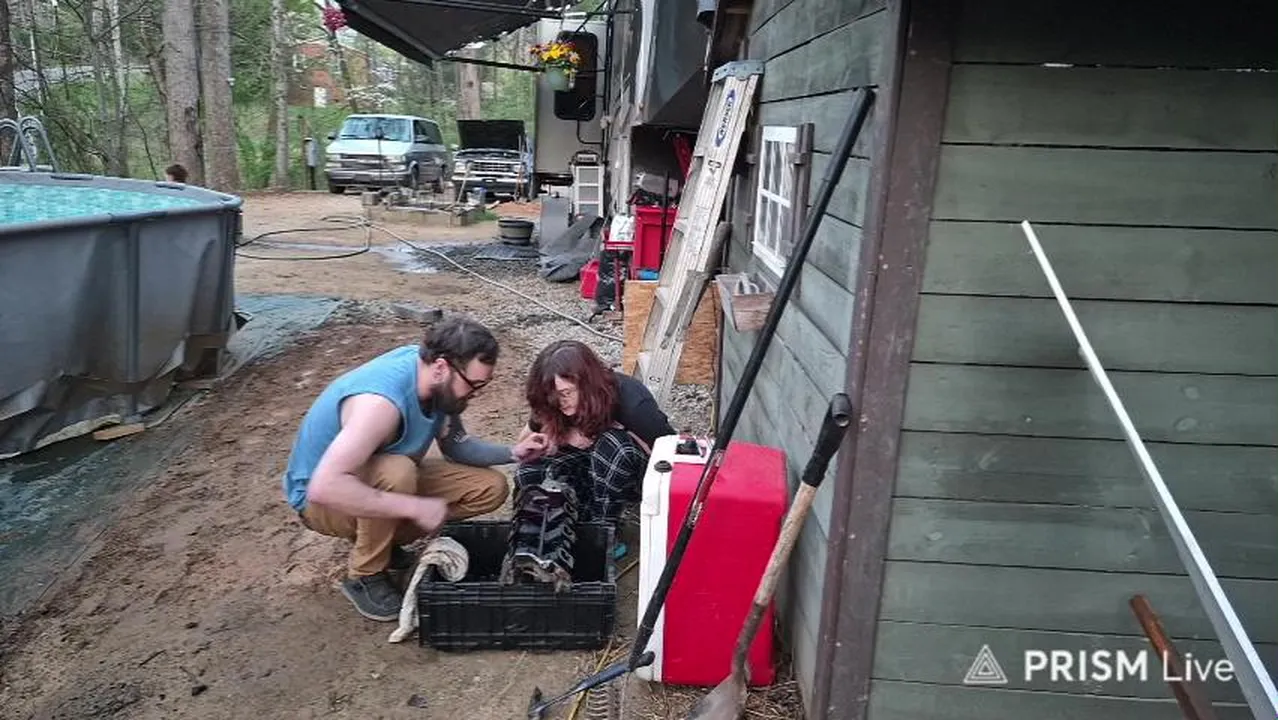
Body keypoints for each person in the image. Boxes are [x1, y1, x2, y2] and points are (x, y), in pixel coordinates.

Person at [282, 316, 551, 622]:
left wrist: (514, 453)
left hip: (373, 479)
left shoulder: (436, 382)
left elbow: (457, 446)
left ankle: (382, 540)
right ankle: (365, 575)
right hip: (321, 501)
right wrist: (413, 507)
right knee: (397, 473)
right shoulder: (380, 404)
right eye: (474, 385)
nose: (474, 394)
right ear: (441, 367)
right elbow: (324, 486)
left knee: (490, 488)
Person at [514, 340, 675, 526]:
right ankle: (539, 529)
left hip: (630, 476)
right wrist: (557, 438)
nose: (560, 402)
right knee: (529, 471)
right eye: (553, 396)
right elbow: (526, 440)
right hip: (586, 470)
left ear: (587, 384)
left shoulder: (634, 404)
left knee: (612, 445)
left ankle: (602, 528)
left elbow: (672, 456)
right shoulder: (553, 401)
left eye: (566, 393)